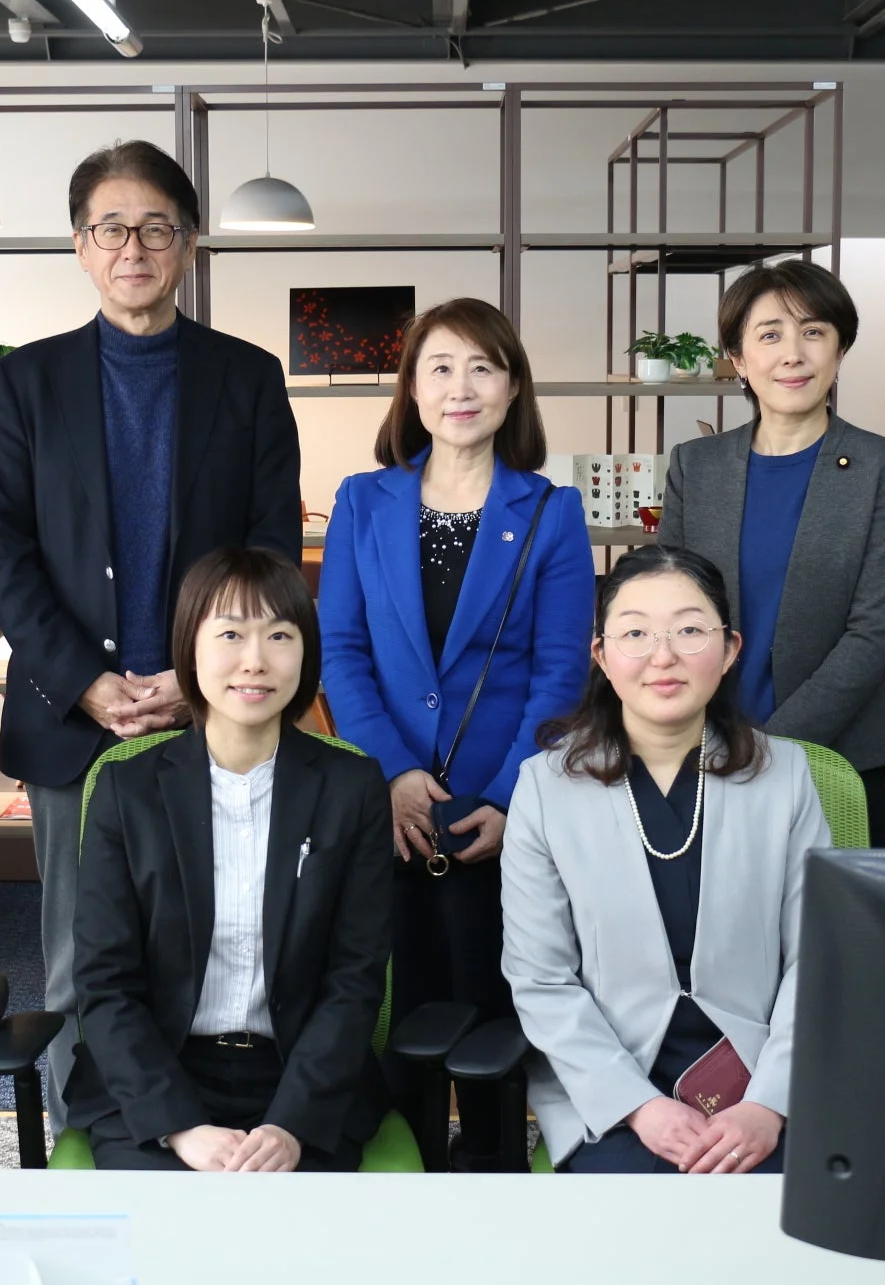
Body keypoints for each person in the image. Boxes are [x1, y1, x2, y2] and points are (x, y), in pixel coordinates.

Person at [0, 140, 302, 1134]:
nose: (134, 247)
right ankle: (92, 1139)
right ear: (80, 245)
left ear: (188, 244)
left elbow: (269, 548)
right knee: (81, 955)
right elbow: (5, 549)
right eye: (111, 228)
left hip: (215, 718)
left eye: (156, 228)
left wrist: (200, 681)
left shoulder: (247, 377)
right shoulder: (24, 383)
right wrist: (83, 678)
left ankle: (211, 1133)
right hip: (73, 724)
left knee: (224, 940)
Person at [318, 297, 593, 1169]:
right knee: (391, 1002)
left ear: (512, 388)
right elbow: (340, 650)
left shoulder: (551, 512)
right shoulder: (362, 502)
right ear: (412, 389)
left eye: (483, 367)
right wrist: (393, 770)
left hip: (499, 810)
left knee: (491, 1007)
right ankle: (404, 1177)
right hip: (384, 804)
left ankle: (495, 1172)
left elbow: (560, 673)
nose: (460, 387)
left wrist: (511, 796)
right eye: (439, 367)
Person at [502, 546, 830, 1173]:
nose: (663, 656)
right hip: (612, 1089)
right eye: (635, 633)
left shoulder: (785, 776)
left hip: (762, 1077)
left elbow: (818, 959)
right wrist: (639, 1107)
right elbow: (540, 978)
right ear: (601, 655)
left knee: (786, 1221)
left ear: (729, 649)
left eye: (689, 630)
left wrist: (769, 1103)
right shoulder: (545, 788)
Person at [68, 548, 393, 1171]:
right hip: (161, 1074)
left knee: (298, 1228)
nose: (255, 660)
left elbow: (354, 979)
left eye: (280, 635)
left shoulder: (351, 789)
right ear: (189, 650)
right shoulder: (128, 791)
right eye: (230, 634)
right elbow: (105, 984)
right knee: (169, 1224)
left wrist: (292, 1124)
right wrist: (181, 1127)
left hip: (300, 1078)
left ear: (307, 653)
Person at [658, 260, 885, 848]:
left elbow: (875, 631)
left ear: (840, 350)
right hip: (702, 749)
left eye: (813, 332)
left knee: (832, 909)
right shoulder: (696, 467)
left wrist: (772, 748)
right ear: (739, 358)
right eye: (770, 335)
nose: (793, 354)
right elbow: (667, 608)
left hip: (836, 757)